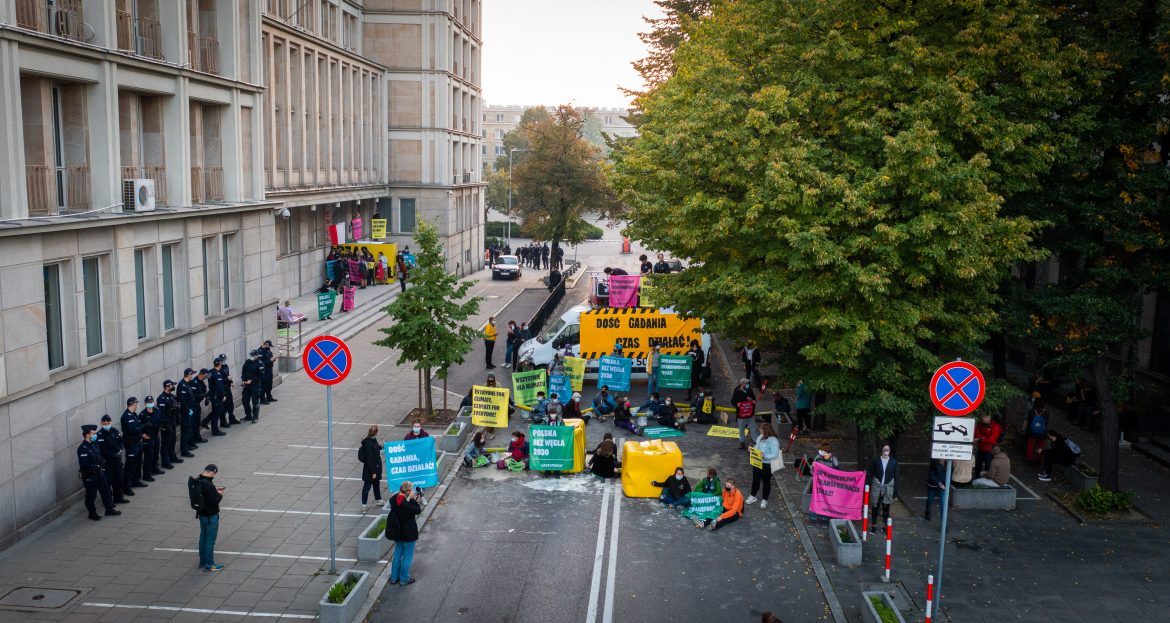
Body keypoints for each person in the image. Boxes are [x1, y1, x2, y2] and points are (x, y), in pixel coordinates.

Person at [78, 425, 120, 521]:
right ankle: (92, 513)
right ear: (87, 435)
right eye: (93, 433)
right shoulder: (82, 448)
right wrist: (96, 466)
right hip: (89, 475)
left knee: (105, 491)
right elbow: (84, 464)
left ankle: (109, 509)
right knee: (91, 495)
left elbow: (99, 456)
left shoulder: (94, 444)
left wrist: (102, 462)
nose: (95, 435)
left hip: (99, 473)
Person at [386, 480, 422, 586]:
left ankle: (394, 578)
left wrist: (408, 497)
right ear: (408, 492)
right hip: (408, 533)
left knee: (397, 554)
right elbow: (417, 510)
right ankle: (404, 579)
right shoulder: (406, 505)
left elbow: (400, 498)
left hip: (398, 533)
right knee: (407, 556)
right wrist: (413, 500)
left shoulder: (395, 499)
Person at [194, 464, 225, 571]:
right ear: (212, 472)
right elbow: (214, 501)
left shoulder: (198, 480)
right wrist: (220, 494)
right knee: (210, 540)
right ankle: (210, 564)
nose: (214, 476)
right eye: (214, 474)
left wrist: (213, 491)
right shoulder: (208, 484)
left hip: (202, 514)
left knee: (203, 538)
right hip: (211, 516)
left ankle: (202, 561)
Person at [95, 415, 131, 502]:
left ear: (110, 422)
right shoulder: (99, 435)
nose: (107, 424)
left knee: (118, 479)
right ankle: (109, 500)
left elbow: (120, 441)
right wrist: (114, 455)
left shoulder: (114, 431)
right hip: (108, 462)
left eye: (108, 423)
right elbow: (103, 449)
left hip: (117, 460)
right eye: (105, 423)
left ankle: (118, 497)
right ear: (102, 423)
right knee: (108, 481)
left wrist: (120, 450)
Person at [747, 423, 781, 509]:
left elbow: (775, 454)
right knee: (755, 480)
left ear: (765, 430)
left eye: (761, 429)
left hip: (767, 464)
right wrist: (752, 449)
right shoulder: (760, 436)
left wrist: (764, 455)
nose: (760, 430)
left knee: (766, 482)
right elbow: (756, 446)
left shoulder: (773, 440)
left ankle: (764, 500)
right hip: (757, 462)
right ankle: (753, 496)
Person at [866, 443, 898, 531]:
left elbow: (896, 476)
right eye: (884, 449)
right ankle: (873, 526)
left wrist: (896, 491)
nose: (886, 451)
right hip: (877, 486)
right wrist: (866, 479)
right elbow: (870, 473)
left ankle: (885, 527)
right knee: (875, 506)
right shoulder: (876, 460)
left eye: (887, 449)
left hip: (888, 487)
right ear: (882, 451)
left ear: (889, 451)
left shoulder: (893, 461)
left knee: (886, 508)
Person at [121, 398, 148, 490]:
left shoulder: (134, 415)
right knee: (130, 464)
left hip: (138, 442)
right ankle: (127, 486)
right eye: (136, 403)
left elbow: (137, 427)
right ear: (132, 404)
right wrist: (143, 426)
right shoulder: (127, 416)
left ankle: (136, 480)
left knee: (138, 462)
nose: (137, 405)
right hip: (131, 444)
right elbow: (133, 430)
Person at [156, 380, 182, 468]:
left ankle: (172, 456)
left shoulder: (172, 396)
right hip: (166, 423)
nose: (173, 387)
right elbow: (162, 413)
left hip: (172, 421)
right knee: (166, 443)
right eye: (171, 385)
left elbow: (176, 408)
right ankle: (165, 462)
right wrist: (163, 424)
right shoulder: (161, 398)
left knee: (173, 440)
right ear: (167, 386)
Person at [358, 425, 384, 512]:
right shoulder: (369, 443)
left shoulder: (371, 440)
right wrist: (373, 472)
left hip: (375, 468)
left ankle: (378, 499)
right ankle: (364, 506)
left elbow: (375, 449)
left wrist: (380, 447)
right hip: (371, 470)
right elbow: (369, 459)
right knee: (367, 488)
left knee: (376, 484)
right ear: (376, 432)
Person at [139, 396, 164, 480]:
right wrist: (143, 434)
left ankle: (154, 468)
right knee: (148, 455)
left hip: (156, 435)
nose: (150, 403)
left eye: (151, 401)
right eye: (148, 402)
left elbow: (160, 420)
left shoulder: (157, 410)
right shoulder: (142, 414)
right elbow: (140, 426)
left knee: (156, 453)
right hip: (148, 437)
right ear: (145, 403)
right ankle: (147, 474)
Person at [177, 368, 200, 456]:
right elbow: (182, 401)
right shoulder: (182, 385)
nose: (193, 376)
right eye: (192, 374)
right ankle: (184, 450)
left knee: (189, 430)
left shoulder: (187, 383)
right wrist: (188, 410)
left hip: (189, 410)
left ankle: (188, 446)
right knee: (186, 431)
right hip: (186, 412)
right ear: (189, 375)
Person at [732, 379, 757, 450]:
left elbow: (754, 400)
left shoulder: (749, 390)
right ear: (742, 384)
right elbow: (733, 401)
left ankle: (756, 441)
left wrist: (752, 400)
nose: (748, 385)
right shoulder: (737, 391)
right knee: (741, 428)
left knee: (753, 427)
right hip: (741, 414)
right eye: (746, 383)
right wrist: (737, 405)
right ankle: (742, 442)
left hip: (750, 413)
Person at [241, 350, 263, 422]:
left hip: (255, 385)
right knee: (245, 400)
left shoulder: (260, 363)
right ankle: (248, 416)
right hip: (247, 385)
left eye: (253, 356)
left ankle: (255, 417)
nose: (252, 357)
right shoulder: (247, 362)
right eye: (251, 355)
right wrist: (243, 380)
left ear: (257, 356)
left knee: (255, 401)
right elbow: (243, 371)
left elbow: (261, 375)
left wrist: (252, 380)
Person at [1025, 399, 1049, 464]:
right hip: (1042, 433)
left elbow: (1028, 421)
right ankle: (1039, 460)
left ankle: (1029, 459)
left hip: (1032, 432)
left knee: (1030, 446)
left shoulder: (1032, 411)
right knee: (1040, 446)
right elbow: (1046, 423)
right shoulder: (1047, 413)